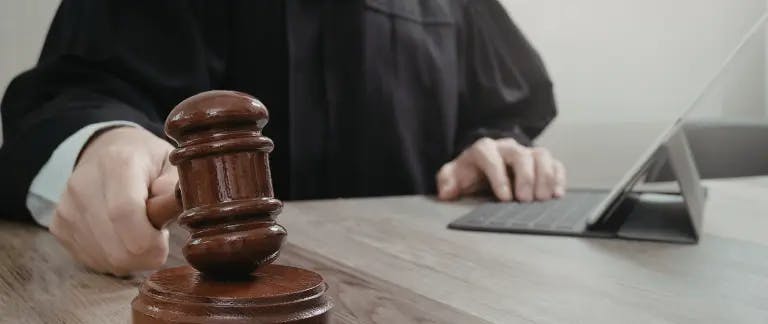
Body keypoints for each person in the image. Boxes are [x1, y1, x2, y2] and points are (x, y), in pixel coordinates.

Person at [0, 0, 566, 276]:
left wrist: (493, 141)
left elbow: (508, 101)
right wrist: (102, 143)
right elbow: (77, 88)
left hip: (417, 282)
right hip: (199, 290)